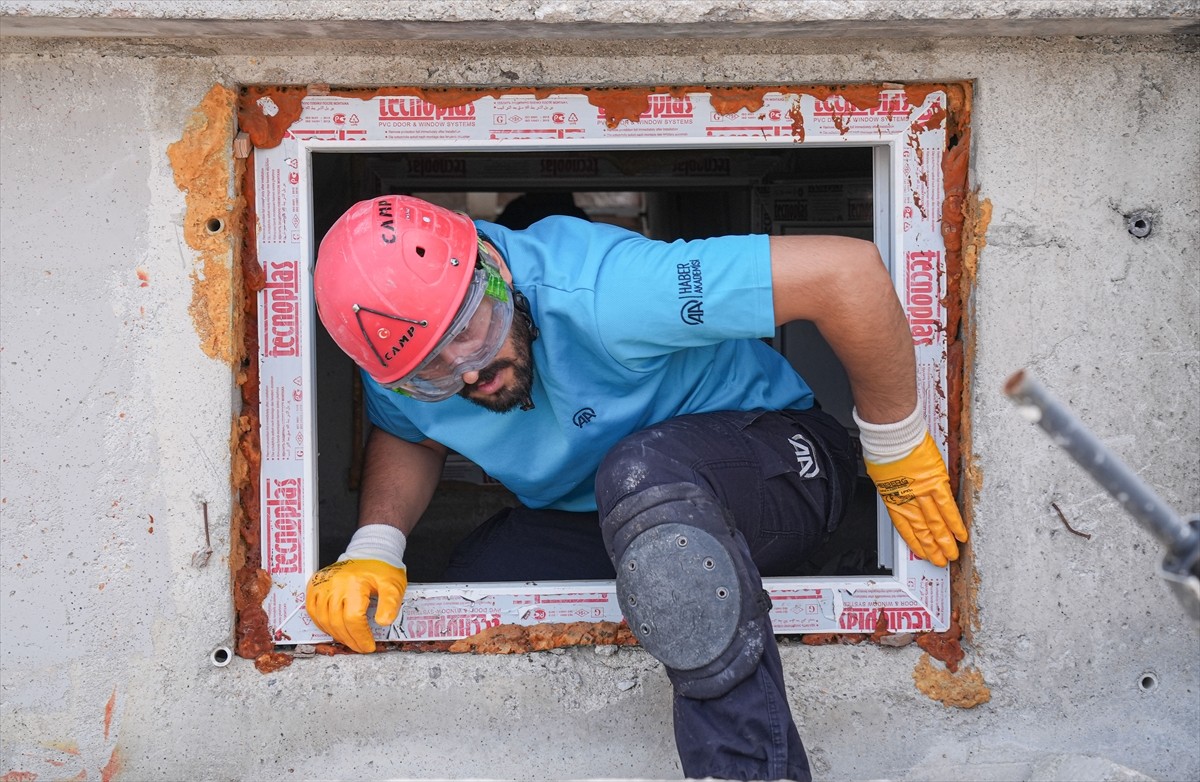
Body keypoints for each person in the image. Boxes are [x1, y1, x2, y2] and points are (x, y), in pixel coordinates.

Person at [305, 194, 968, 782]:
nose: (467, 373)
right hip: (623, 514)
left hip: (782, 466)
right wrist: (376, 546)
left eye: (469, 333)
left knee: (642, 474)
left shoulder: (608, 292)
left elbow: (844, 275)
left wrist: (894, 442)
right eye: (430, 372)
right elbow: (408, 433)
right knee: (486, 570)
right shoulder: (401, 356)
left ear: (495, 270)